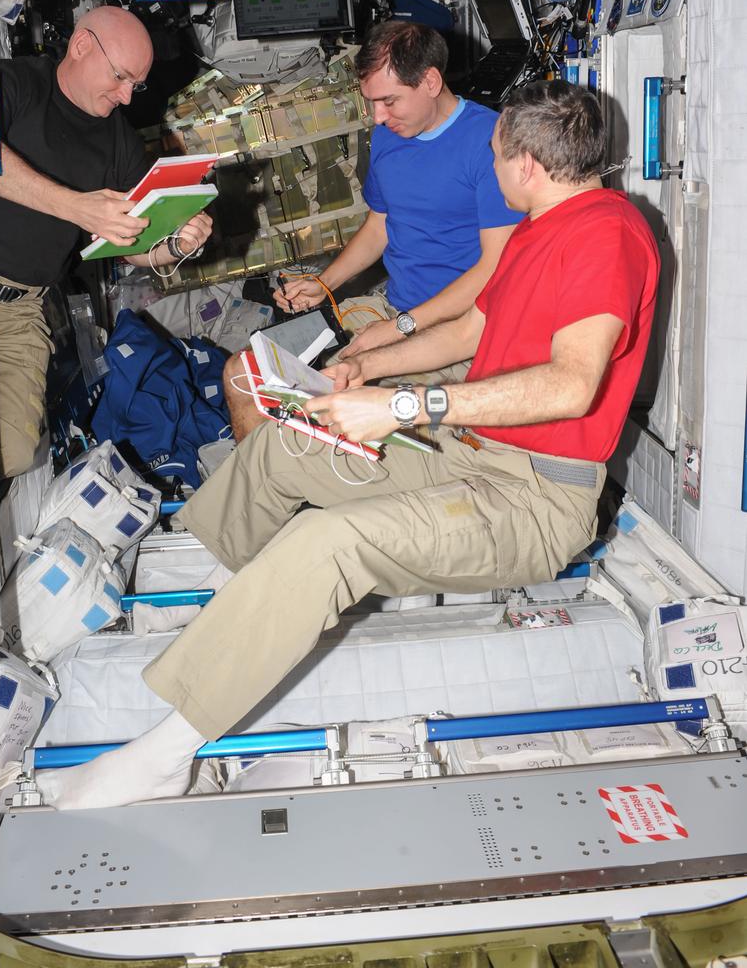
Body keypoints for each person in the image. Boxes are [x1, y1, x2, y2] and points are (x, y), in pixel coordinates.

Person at [34, 78, 660, 811]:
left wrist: (401, 405)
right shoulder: (538, 228)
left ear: (527, 163)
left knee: (326, 544)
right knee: (285, 447)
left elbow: (570, 386)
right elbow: (469, 332)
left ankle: (166, 750)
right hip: (472, 453)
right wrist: (366, 366)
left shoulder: (604, 234)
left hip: (535, 497)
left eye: (494, 158)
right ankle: (226, 604)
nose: (489, 172)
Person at [223, 20, 523, 439]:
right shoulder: (388, 135)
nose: (377, 117)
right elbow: (381, 224)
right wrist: (323, 284)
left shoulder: (492, 144)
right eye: (371, 103)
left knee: (328, 415)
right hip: (390, 313)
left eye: (389, 101)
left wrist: (403, 327)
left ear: (431, 82)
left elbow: (495, 269)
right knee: (244, 374)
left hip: (455, 334)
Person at [0, 5, 213, 482]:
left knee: (10, 455)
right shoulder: (12, 81)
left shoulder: (120, 143)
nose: (123, 96)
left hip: (18, 313)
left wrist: (175, 244)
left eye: (134, 86)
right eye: (119, 78)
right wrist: (76, 206)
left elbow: (133, 242)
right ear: (80, 46)